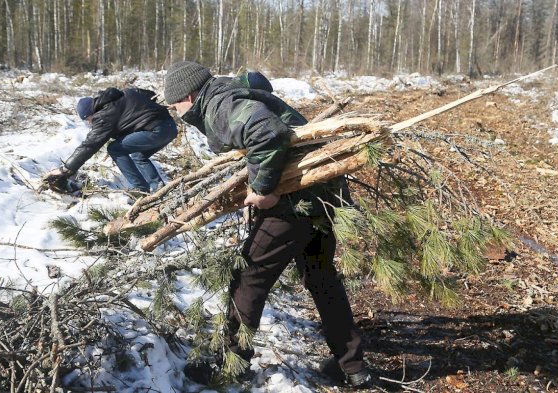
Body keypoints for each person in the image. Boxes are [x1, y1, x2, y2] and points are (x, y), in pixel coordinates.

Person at [163, 61, 372, 387]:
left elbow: (267, 132)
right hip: (324, 195)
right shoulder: (229, 94)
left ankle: (230, 364)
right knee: (321, 278)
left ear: (188, 95)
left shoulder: (220, 106)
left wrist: (263, 191)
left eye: (174, 103)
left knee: (247, 278)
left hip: (294, 202)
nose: (174, 110)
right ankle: (352, 366)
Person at [43, 87, 177, 194]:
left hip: (155, 131)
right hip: (170, 127)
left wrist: (66, 169)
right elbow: (149, 94)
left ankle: (140, 190)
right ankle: (159, 189)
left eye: (88, 120)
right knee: (138, 155)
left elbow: (90, 145)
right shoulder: (124, 93)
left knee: (115, 149)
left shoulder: (103, 116)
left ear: (91, 113)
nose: (90, 123)